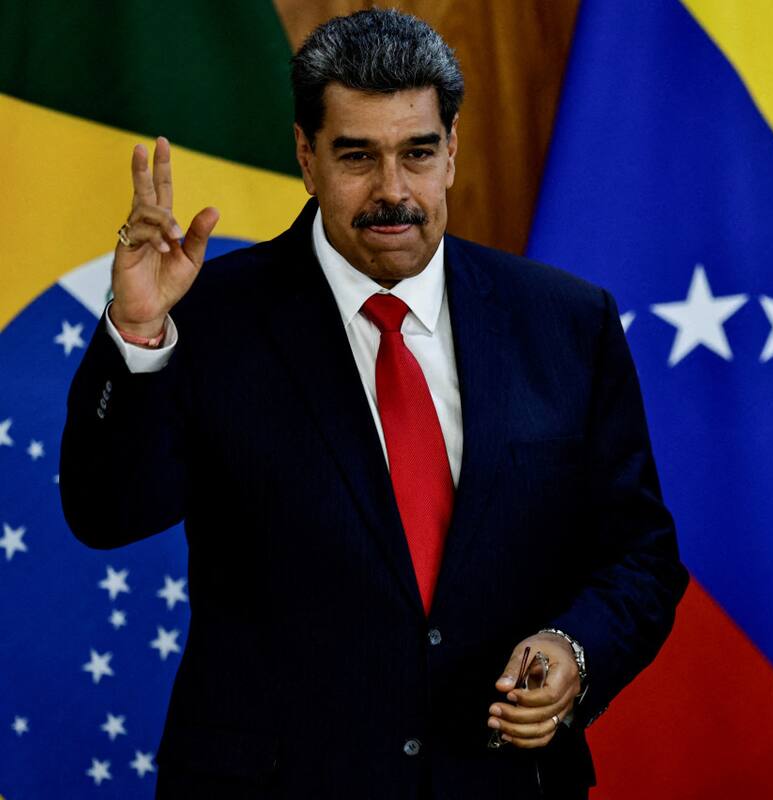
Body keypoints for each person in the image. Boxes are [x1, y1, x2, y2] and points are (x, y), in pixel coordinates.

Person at [59, 10, 687, 799]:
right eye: (357, 156)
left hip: (500, 782)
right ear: (306, 156)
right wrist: (139, 332)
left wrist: (574, 648)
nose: (393, 191)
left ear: (452, 150)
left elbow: (640, 551)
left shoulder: (565, 322)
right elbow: (107, 513)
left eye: (417, 153)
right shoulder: (210, 318)